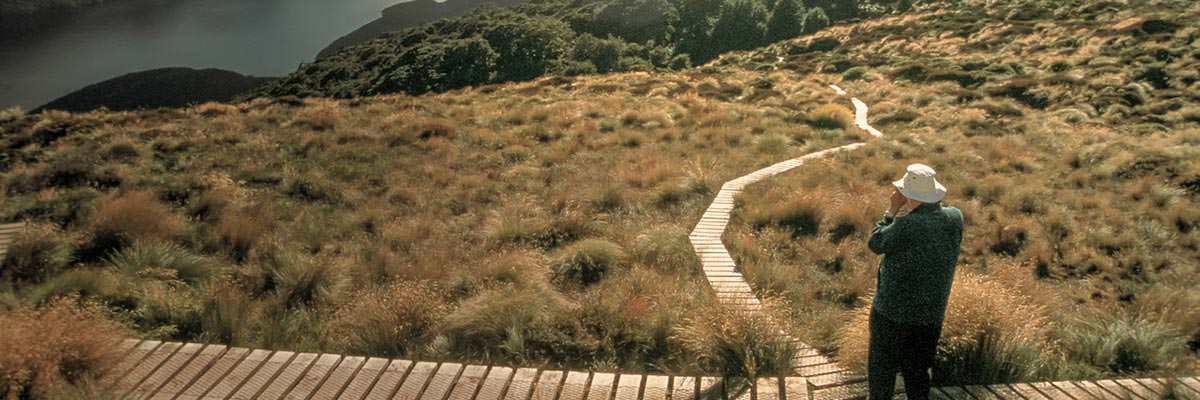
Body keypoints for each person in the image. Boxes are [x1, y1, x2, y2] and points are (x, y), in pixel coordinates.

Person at [866, 163, 964, 400]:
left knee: (882, 372)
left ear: (910, 195)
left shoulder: (906, 225)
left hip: (892, 314)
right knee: (918, 373)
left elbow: (876, 242)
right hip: (930, 316)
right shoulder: (955, 218)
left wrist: (891, 210)